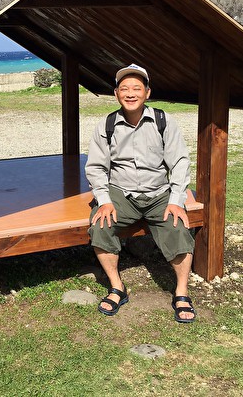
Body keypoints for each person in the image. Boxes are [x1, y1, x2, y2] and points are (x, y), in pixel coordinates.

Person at [85, 63, 196, 323]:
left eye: (137, 88)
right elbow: (96, 167)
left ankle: (181, 292)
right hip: (121, 193)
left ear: (147, 92)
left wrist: (176, 200)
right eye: (124, 88)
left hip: (159, 192)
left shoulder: (163, 121)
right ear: (116, 94)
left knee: (178, 228)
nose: (130, 93)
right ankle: (117, 287)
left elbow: (180, 162)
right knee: (100, 226)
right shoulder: (107, 125)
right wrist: (104, 200)